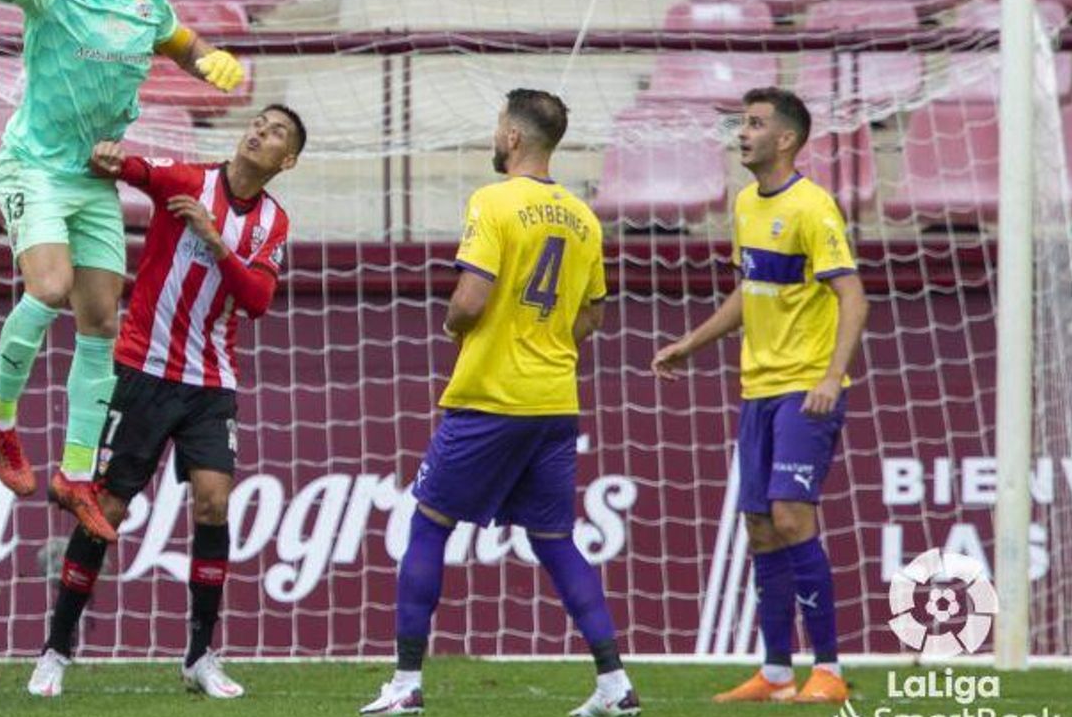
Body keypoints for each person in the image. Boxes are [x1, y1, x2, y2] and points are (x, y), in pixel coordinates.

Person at [0, 0, 246, 542]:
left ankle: (74, 474)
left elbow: (179, 42)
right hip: (34, 166)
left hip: (92, 177)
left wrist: (209, 60)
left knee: (100, 321)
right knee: (49, 286)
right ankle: (0, 421)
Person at [361, 90, 639, 717]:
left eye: (496, 128)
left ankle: (405, 685)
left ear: (513, 137)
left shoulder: (494, 202)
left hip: (491, 397)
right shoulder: (584, 217)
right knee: (555, 538)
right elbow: (591, 316)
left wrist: (457, 327)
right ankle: (614, 684)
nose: (494, 137)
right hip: (555, 400)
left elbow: (470, 299)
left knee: (428, 523)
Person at [26, 105, 304, 699]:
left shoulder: (274, 224)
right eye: (257, 122)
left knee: (213, 503)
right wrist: (109, 158)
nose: (259, 131)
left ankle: (200, 656)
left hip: (212, 381)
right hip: (143, 369)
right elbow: (134, 169)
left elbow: (257, 300)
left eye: (276, 132)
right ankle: (56, 648)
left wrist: (212, 239)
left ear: (288, 160)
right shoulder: (189, 181)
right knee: (107, 509)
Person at [652, 87, 867, 706]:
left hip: (805, 388)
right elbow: (750, 293)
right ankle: (776, 673)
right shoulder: (746, 204)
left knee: (791, 516)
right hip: (758, 389)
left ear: (787, 139)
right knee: (759, 527)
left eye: (754, 125)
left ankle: (825, 669)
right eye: (740, 123)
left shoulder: (813, 208)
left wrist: (830, 376)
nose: (741, 134)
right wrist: (689, 344)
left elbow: (853, 296)